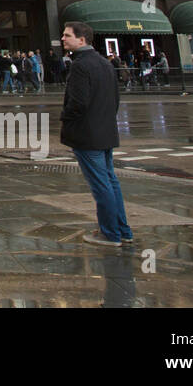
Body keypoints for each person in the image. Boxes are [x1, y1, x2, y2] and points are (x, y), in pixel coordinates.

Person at [60, 21, 133, 248]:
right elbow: (115, 99)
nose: (63, 39)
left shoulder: (80, 65)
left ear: (81, 40)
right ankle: (123, 230)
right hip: (106, 131)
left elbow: (78, 103)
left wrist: (65, 117)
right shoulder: (104, 63)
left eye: (67, 36)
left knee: (101, 185)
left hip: (87, 134)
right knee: (110, 182)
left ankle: (110, 234)